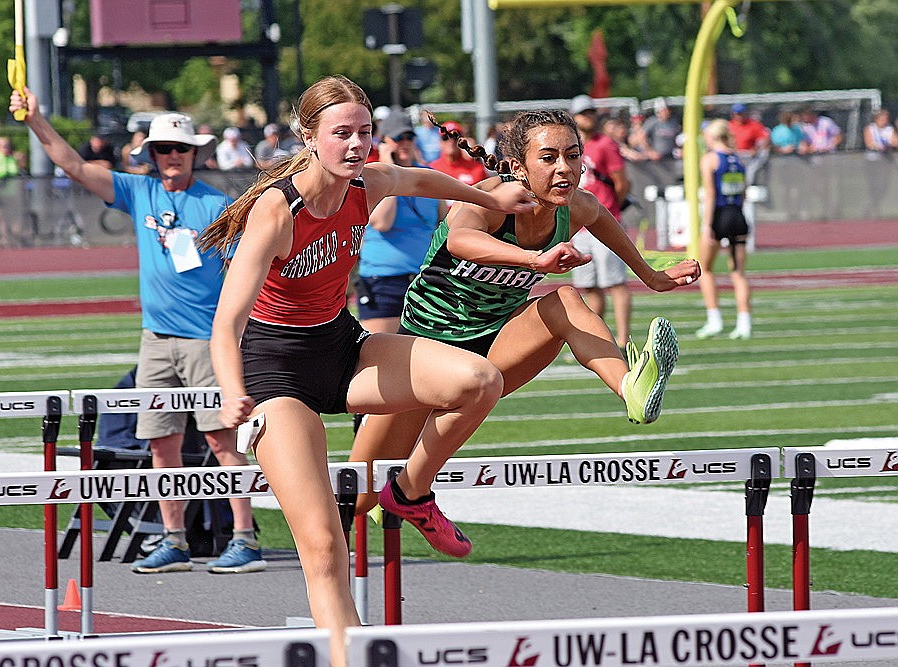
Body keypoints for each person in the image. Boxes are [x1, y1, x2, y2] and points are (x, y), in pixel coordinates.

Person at [197, 75, 539, 667]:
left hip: (342, 345)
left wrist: (490, 199)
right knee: (324, 544)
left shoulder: (366, 182)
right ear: (309, 137)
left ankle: (409, 491)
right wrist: (232, 393)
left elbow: (421, 179)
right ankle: (347, 658)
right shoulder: (279, 211)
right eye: (341, 134)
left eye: (365, 132)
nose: (357, 145)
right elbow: (226, 323)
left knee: (479, 381)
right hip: (278, 371)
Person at [349, 108, 700, 526]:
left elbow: (605, 221)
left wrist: (653, 276)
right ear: (518, 167)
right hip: (423, 356)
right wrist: (533, 259)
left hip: (492, 350)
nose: (565, 169)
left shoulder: (577, 208)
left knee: (566, 300)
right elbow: (461, 240)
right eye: (549, 158)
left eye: (573, 156)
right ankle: (376, 520)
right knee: (357, 497)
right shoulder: (492, 199)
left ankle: (631, 389)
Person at [8, 86, 266, 576]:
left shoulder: (217, 206)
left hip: (205, 339)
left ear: (195, 153)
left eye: (180, 149)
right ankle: (174, 540)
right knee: (160, 442)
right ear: (150, 154)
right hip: (155, 339)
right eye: (162, 149)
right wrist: (35, 120)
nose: (171, 157)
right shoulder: (139, 190)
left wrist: (239, 335)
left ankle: (244, 538)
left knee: (221, 441)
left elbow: (245, 273)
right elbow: (75, 167)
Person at [358, 110, 447, 333]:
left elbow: (444, 223)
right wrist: (388, 169)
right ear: (384, 142)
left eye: (408, 137)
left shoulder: (427, 175)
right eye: (397, 139)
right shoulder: (371, 176)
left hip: (423, 280)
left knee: (424, 357)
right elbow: (382, 222)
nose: (404, 143)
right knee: (379, 355)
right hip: (383, 280)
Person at [568, 95, 633, 346]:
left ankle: (623, 339)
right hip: (579, 226)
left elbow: (621, 182)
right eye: (583, 113)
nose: (588, 117)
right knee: (589, 286)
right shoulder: (571, 146)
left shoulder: (605, 144)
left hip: (605, 221)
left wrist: (608, 209)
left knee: (615, 282)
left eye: (590, 113)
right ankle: (598, 339)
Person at [695, 119, 751, 340]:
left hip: (719, 216)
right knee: (738, 273)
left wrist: (707, 225)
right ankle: (744, 322)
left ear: (711, 137)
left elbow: (710, 194)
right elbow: (743, 193)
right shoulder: (738, 158)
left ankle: (714, 319)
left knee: (705, 269)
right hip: (737, 215)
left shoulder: (710, 159)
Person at [428, 120, 490, 186]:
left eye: (455, 137)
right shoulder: (431, 170)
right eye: (445, 137)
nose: (451, 141)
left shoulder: (477, 169)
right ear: (440, 142)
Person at [728, 102, 770, 185]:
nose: (739, 116)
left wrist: (756, 149)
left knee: (748, 178)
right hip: (734, 156)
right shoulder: (729, 125)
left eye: (741, 113)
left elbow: (765, 138)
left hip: (749, 156)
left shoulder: (753, 125)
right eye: (737, 114)